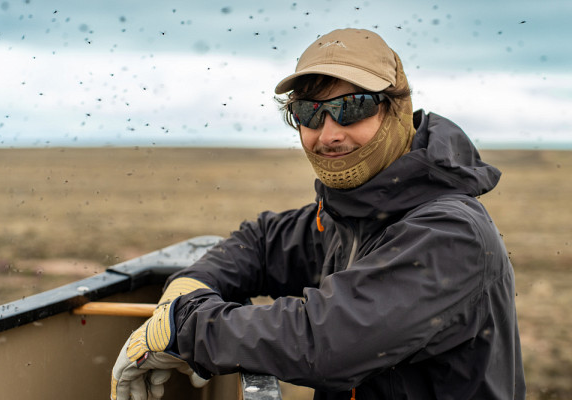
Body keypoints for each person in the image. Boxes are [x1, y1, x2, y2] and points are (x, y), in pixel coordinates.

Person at [111, 28, 526, 400]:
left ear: (398, 110)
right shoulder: (353, 215)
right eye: (309, 113)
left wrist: (185, 329)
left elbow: (326, 342)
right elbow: (261, 241)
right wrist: (185, 288)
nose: (328, 134)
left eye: (354, 107)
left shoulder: (451, 233)